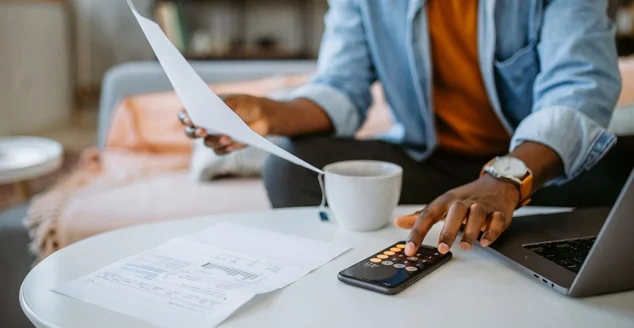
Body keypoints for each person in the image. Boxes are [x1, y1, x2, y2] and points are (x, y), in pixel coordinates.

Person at [179, 0, 634, 258]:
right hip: (435, 166)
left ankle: (499, 223)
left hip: (540, 168)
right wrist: (270, 114)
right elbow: (341, 86)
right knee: (293, 170)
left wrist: (505, 180)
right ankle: (484, 231)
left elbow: (578, 85)